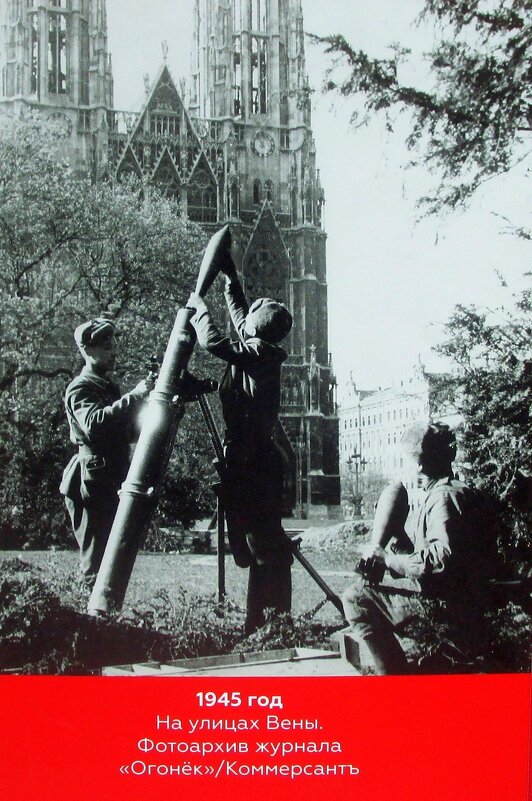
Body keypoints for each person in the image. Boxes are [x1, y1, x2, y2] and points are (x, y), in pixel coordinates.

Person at [187, 230, 294, 634]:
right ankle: (263, 622)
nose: (243, 324)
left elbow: (215, 342)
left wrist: (198, 307)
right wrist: (230, 274)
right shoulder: (259, 345)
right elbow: (240, 313)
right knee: (258, 547)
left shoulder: (258, 354)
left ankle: (271, 623)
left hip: (253, 464)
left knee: (261, 547)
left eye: (249, 324)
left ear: (257, 332)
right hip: (252, 459)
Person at [342, 422, 495, 674]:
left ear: (420, 464)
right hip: (467, 606)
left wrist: (388, 559)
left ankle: (396, 685)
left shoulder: (443, 497)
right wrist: (400, 542)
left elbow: (439, 561)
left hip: (447, 611)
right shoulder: (460, 492)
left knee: (356, 598)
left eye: (408, 462)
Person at [60, 317, 154, 588]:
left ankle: (105, 621)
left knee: (111, 559)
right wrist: (135, 396)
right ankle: (90, 624)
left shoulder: (107, 387)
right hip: (90, 481)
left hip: (108, 476)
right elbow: (94, 425)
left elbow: (124, 431)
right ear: (87, 351)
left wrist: (148, 402)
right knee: (95, 561)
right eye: (105, 347)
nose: (113, 352)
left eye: (114, 346)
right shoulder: (80, 388)